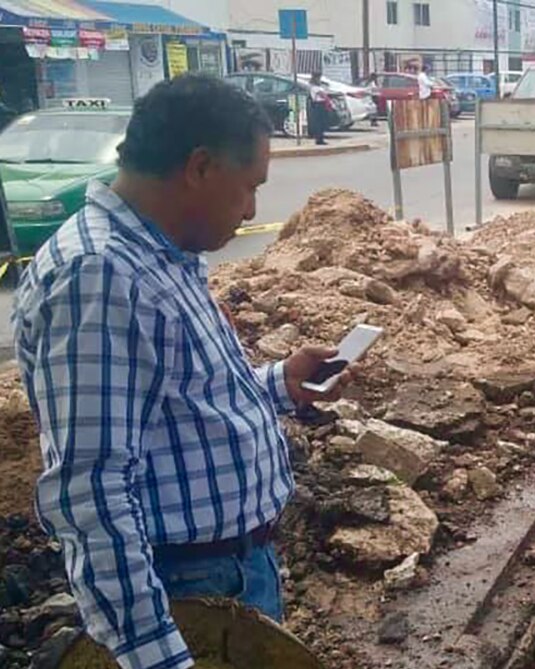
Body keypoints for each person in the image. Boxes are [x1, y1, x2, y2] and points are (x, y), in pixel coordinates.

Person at [12, 74, 354, 669]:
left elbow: (176, 402)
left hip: (231, 573)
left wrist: (276, 383)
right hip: (183, 590)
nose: (252, 209)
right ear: (199, 167)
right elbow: (91, 491)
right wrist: (157, 655)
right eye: (249, 187)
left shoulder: (163, 251)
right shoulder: (100, 277)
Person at [307, 71, 331, 145]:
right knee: (319, 123)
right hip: (318, 104)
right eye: (319, 78)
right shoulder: (314, 87)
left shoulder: (318, 86)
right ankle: (319, 139)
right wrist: (328, 100)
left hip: (321, 104)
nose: (320, 79)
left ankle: (321, 138)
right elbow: (322, 95)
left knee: (322, 122)